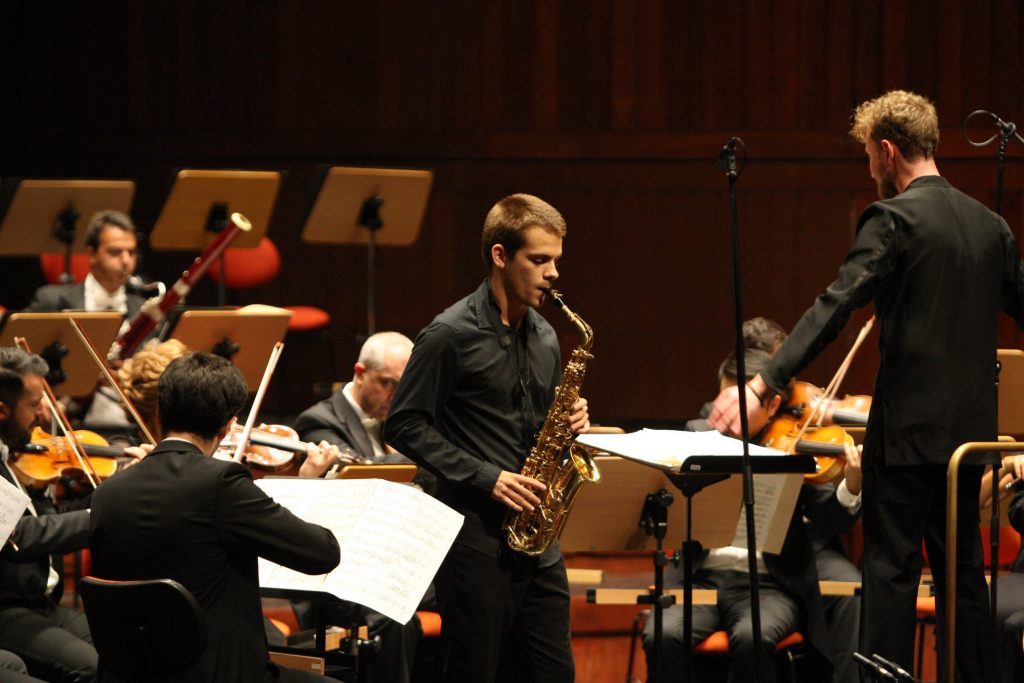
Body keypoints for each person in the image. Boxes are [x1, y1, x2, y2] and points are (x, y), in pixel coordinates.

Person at [708, 89, 1024, 680]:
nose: (871, 168)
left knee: (891, 576)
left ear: (887, 150)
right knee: (963, 579)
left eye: (869, 157)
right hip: (969, 443)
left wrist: (764, 383)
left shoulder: (892, 219)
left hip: (904, 441)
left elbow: (835, 306)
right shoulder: (991, 226)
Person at [384, 193, 590, 682]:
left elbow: (539, 428)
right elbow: (403, 424)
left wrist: (570, 422)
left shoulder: (546, 336)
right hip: (473, 538)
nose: (553, 273)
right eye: (539, 260)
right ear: (500, 255)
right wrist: (488, 477)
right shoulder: (448, 335)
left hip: (537, 534)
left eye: (556, 260)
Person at [88, 352, 342, 682]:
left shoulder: (108, 491)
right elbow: (321, 553)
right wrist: (308, 486)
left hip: (128, 673)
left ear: (160, 412)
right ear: (227, 426)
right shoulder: (221, 483)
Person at [646, 348, 860, 682]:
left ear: (772, 405)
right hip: (700, 579)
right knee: (661, 633)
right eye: (723, 400)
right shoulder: (698, 433)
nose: (724, 413)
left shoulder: (791, 445)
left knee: (752, 638)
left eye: (737, 404)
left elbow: (830, 517)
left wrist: (852, 484)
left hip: (769, 585)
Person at [0, 347, 97, 683]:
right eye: (34, 404)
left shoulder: (13, 456)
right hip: (7, 608)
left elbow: (52, 519)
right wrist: (101, 514)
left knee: (127, 647)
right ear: (2, 410)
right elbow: (21, 537)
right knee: (91, 667)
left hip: (42, 603)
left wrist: (118, 489)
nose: (43, 414)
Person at [294, 331, 419, 473]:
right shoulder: (317, 422)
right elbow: (357, 470)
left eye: (405, 386)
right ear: (360, 373)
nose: (396, 397)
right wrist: (428, 455)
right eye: (388, 383)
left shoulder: (399, 414)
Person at [25, 210, 143, 316]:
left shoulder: (143, 313)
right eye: (115, 252)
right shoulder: (50, 302)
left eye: (131, 252)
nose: (126, 260)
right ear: (92, 255)